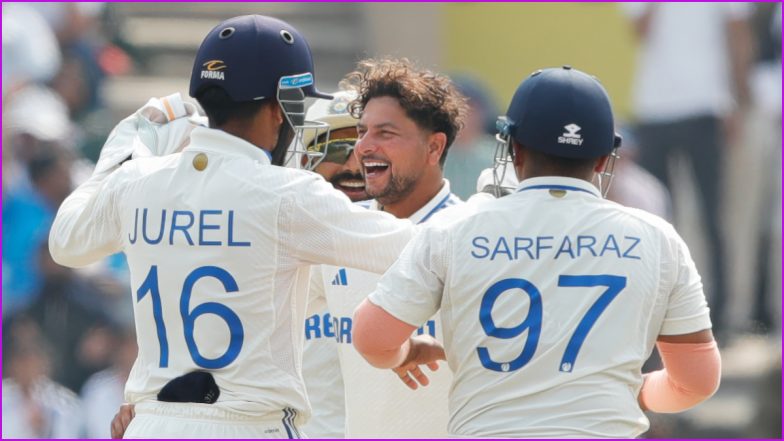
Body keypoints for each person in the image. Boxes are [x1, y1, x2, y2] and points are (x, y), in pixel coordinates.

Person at [49, 15, 416, 438]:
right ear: (279, 109)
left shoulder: (137, 182)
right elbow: (410, 248)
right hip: (249, 424)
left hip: (152, 424)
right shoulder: (286, 195)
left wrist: (126, 145)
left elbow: (65, 244)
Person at [353, 66, 721, 438]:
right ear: (601, 159)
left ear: (515, 149)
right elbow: (697, 381)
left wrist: (408, 353)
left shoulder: (453, 227)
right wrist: (635, 392)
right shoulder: (657, 238)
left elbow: (371, 337)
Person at [309, 57, 466, 438]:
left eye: (385, 133)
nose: (363, 147)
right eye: (362, 132)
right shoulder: (334, 231)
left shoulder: (471, 237)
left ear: (434, 147)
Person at [622, 3, 753, 332]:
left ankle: (719, 317)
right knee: (654, 218)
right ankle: (658, 312)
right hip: (654, 108)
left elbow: (736, 33)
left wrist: (738, 100)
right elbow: (640, 30)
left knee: (713, 216)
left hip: (707, 106)